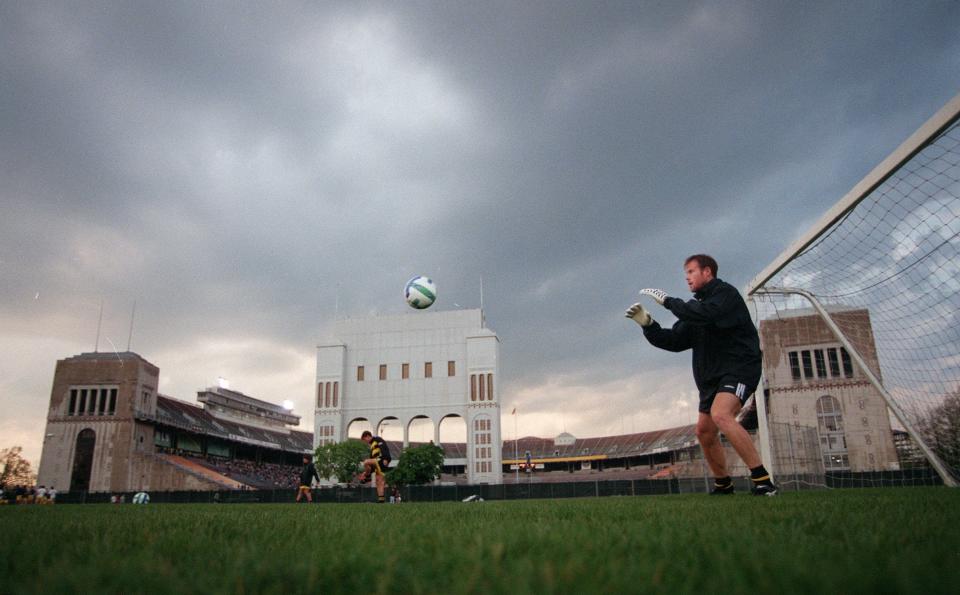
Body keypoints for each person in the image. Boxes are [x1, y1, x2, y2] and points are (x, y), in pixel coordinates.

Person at [626, 253, 777, 496]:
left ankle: (763, 481)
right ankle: (723, 484)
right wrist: (648, 325)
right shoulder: (694, 310)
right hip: (711, 379)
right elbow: (674, 341)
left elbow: (704, 314)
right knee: (704, 432)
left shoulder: (725, 295)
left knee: (722, 414)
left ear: (707, 272)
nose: (687, 278)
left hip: (739, 368)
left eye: (691, 272)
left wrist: (669, 302)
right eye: (685, 273)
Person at [358, 430, 392, 503]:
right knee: (379, 481)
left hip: (381, 460)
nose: (365, 442)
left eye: (364, 439)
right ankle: (381, 500)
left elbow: (384, 448)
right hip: (377, 463)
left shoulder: (377, 439)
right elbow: (372, 460)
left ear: (368, 436)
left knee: (366, 462)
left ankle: (366, 477)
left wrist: (386, 459)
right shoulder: (372, 445)